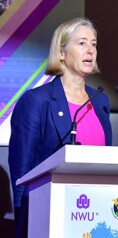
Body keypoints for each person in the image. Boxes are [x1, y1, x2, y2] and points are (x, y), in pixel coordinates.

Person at [8, 17, 111, 238]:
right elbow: (21, 172)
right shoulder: (37, 101)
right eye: (82, 43)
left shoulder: (100, 101)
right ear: (62, 53)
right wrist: (24, 223)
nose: (90, 50)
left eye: (93, 44)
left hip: (95, 214)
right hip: (51, 213)